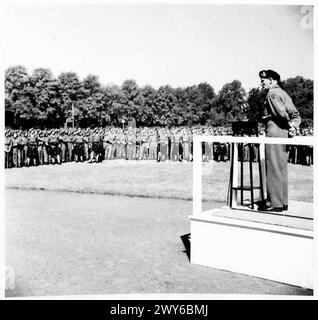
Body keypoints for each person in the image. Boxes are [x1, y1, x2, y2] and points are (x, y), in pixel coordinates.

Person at [258, 69, 301, 212]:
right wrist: (294, 126)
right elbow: (294, 113)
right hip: (284, 134)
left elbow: (281, 113)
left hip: (275, 132)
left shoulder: (272, 93)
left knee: (273, 167)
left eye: (263, 80)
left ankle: (274, 203)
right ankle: (282, 201)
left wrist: (288, 123)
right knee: (281, 167)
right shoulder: (283, 93)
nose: (261, 83)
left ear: (271, 80)